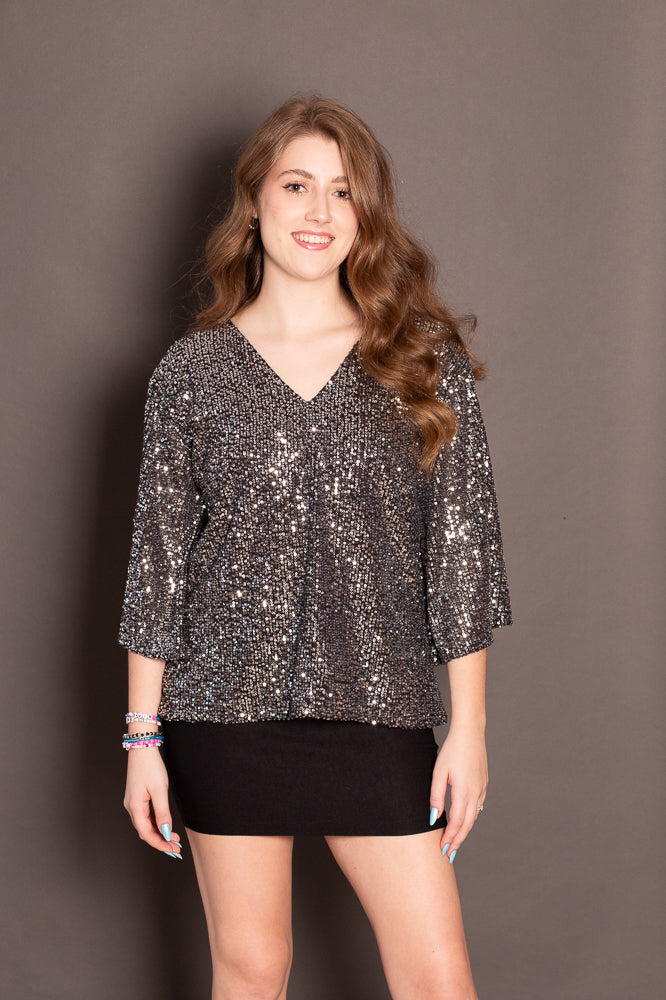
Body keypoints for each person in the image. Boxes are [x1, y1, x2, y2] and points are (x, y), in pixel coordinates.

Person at [119, 94, 512, 1000]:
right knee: (252, 966)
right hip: (222, 711)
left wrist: (469, 732)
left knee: (438, 977)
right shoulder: (191, 374)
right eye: (297, 185)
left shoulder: (421, 361)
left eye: (343, 192)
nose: (320, 211)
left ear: (365, 215)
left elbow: (461, 559)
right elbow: (157, 569)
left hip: (379, 708)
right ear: (255, 199)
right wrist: (143, 738)